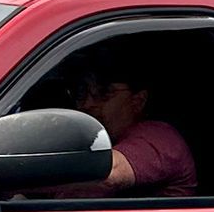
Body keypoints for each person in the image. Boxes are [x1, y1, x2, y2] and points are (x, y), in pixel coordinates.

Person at [51, 58, 197, 198]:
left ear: (137, 101)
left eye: (104, 92)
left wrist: (33, 169)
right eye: (81, 92)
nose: (87, 104)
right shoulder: (105, 141)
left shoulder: (160, 138)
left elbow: (110, 171)